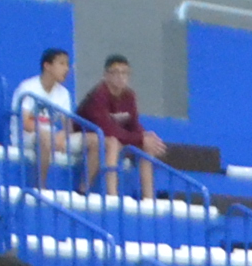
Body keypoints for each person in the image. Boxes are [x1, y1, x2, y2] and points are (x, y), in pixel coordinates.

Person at [75, 55, 166, 200]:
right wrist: (140, 138)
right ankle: (112, 195)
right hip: (85, 135)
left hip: (111, 136)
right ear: (106, 75)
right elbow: (106, 129)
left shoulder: (129, 96)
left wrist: (146, 137)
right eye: (115, 72)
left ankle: (148, 198)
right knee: (113, 143)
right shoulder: (98, 95)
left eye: (125, 73)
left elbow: (133, 125)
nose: (120, 77)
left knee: (146, 146)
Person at [11, 48, 79, 190]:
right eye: (62, 64)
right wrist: (49, 135)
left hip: (52, 137)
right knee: (45, 137)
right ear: (47, 66)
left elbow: (69, 125)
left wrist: (62, 135)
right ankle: (40, 186)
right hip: (27, 136)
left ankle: (83, 190)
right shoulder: (28, 87)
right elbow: (25, 123)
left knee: (94, 141)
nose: (67, 69)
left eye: (67, 65)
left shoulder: (64, 93)